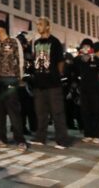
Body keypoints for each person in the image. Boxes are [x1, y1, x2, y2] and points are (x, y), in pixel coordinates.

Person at [28, 16, 70, 149]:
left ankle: (62, 140)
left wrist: (56, 75)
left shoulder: (55, 42)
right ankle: (40, 137)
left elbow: (60, 62)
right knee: (41, 113)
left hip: (53, 84)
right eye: (37, 24)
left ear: (47, 27)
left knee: (57, 112)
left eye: (40, 24)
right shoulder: (36, 43)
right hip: (39, 83)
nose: (38, 27)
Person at [0, 20, 27, 152]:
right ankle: (1, 138)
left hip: (10, 80)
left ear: (1, 29)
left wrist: (20, 78)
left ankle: (20, 140)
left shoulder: (14, 41)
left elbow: (20, 59)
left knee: (13, 111)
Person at [75, 38, 99, 144]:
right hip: (83, 90)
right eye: (84, 46)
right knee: (85, 112)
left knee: (96, 112)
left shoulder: (96, 60)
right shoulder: (78, 60)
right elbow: (74, 73)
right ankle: (88, 134)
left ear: (91, 48)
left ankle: (98, 134)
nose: (86, 48)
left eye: (88, 46)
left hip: (96, 90)